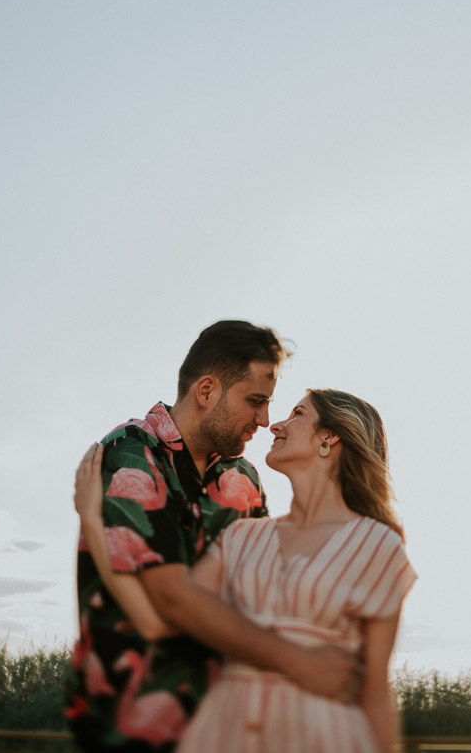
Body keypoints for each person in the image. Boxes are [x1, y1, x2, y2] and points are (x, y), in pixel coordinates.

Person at [66, 320, 358, 753]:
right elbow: (168, 606)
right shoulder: (131, 453)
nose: (265, 420)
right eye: (255, 401)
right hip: (129, 729)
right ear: (206, 391)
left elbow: (262, 598)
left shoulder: (243, 478)